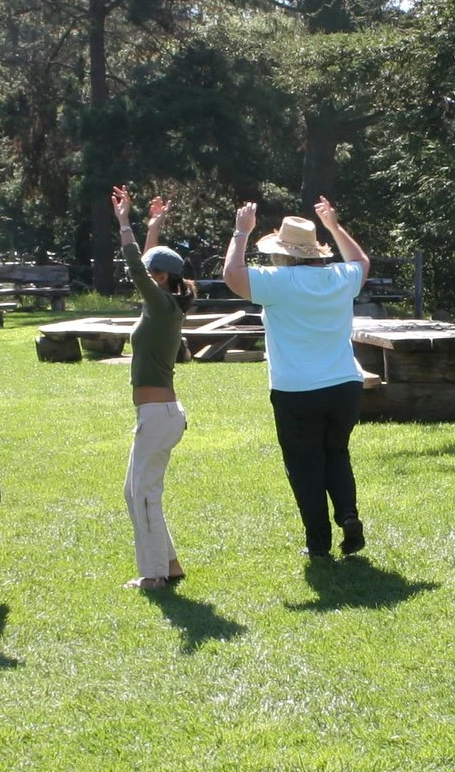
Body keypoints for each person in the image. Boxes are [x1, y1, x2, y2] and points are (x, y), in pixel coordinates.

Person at [225, 198, 371, 558]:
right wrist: (335, 227)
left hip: (296, 390)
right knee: (337, 453)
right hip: (344, 385)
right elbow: (362, 261)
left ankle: (318, 542)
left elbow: (232, 275)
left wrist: (241, 232)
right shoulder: (340, 276)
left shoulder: (278, 281)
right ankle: (348, 515)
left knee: (304, 465)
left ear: (283, 253)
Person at [113, 186, 193, 589]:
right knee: (135, 492)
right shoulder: (160, 303)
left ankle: (154, 575)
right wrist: (154, 225)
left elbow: (135, 265)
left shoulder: (162, 305)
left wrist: (125, 223)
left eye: (152, 272)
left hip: (159, 416)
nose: (146, 276)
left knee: (144, 495)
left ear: (163, 278)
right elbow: (146, 265)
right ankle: (170, 564)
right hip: (156, 415)